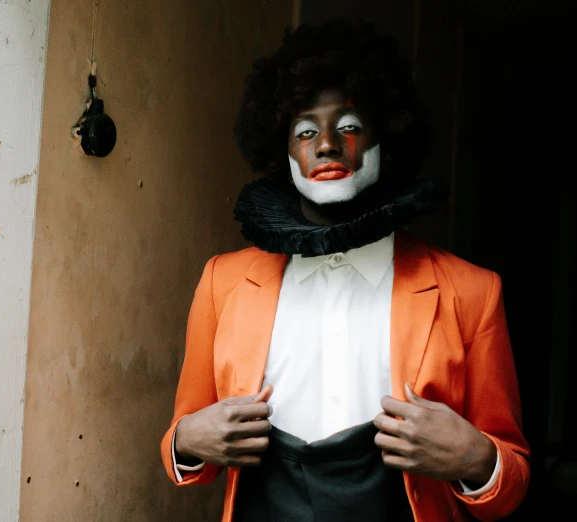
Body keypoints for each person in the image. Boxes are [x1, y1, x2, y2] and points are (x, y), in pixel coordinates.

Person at [160, 19, 529, 522]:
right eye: (305, 130)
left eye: (349, 126)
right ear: (282, 150)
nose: (326, 144)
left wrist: (476, 459)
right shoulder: (223, 282)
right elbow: (187, 443)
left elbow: (511, 482)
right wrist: (185, 440)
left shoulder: (471, 292)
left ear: (388, 139)